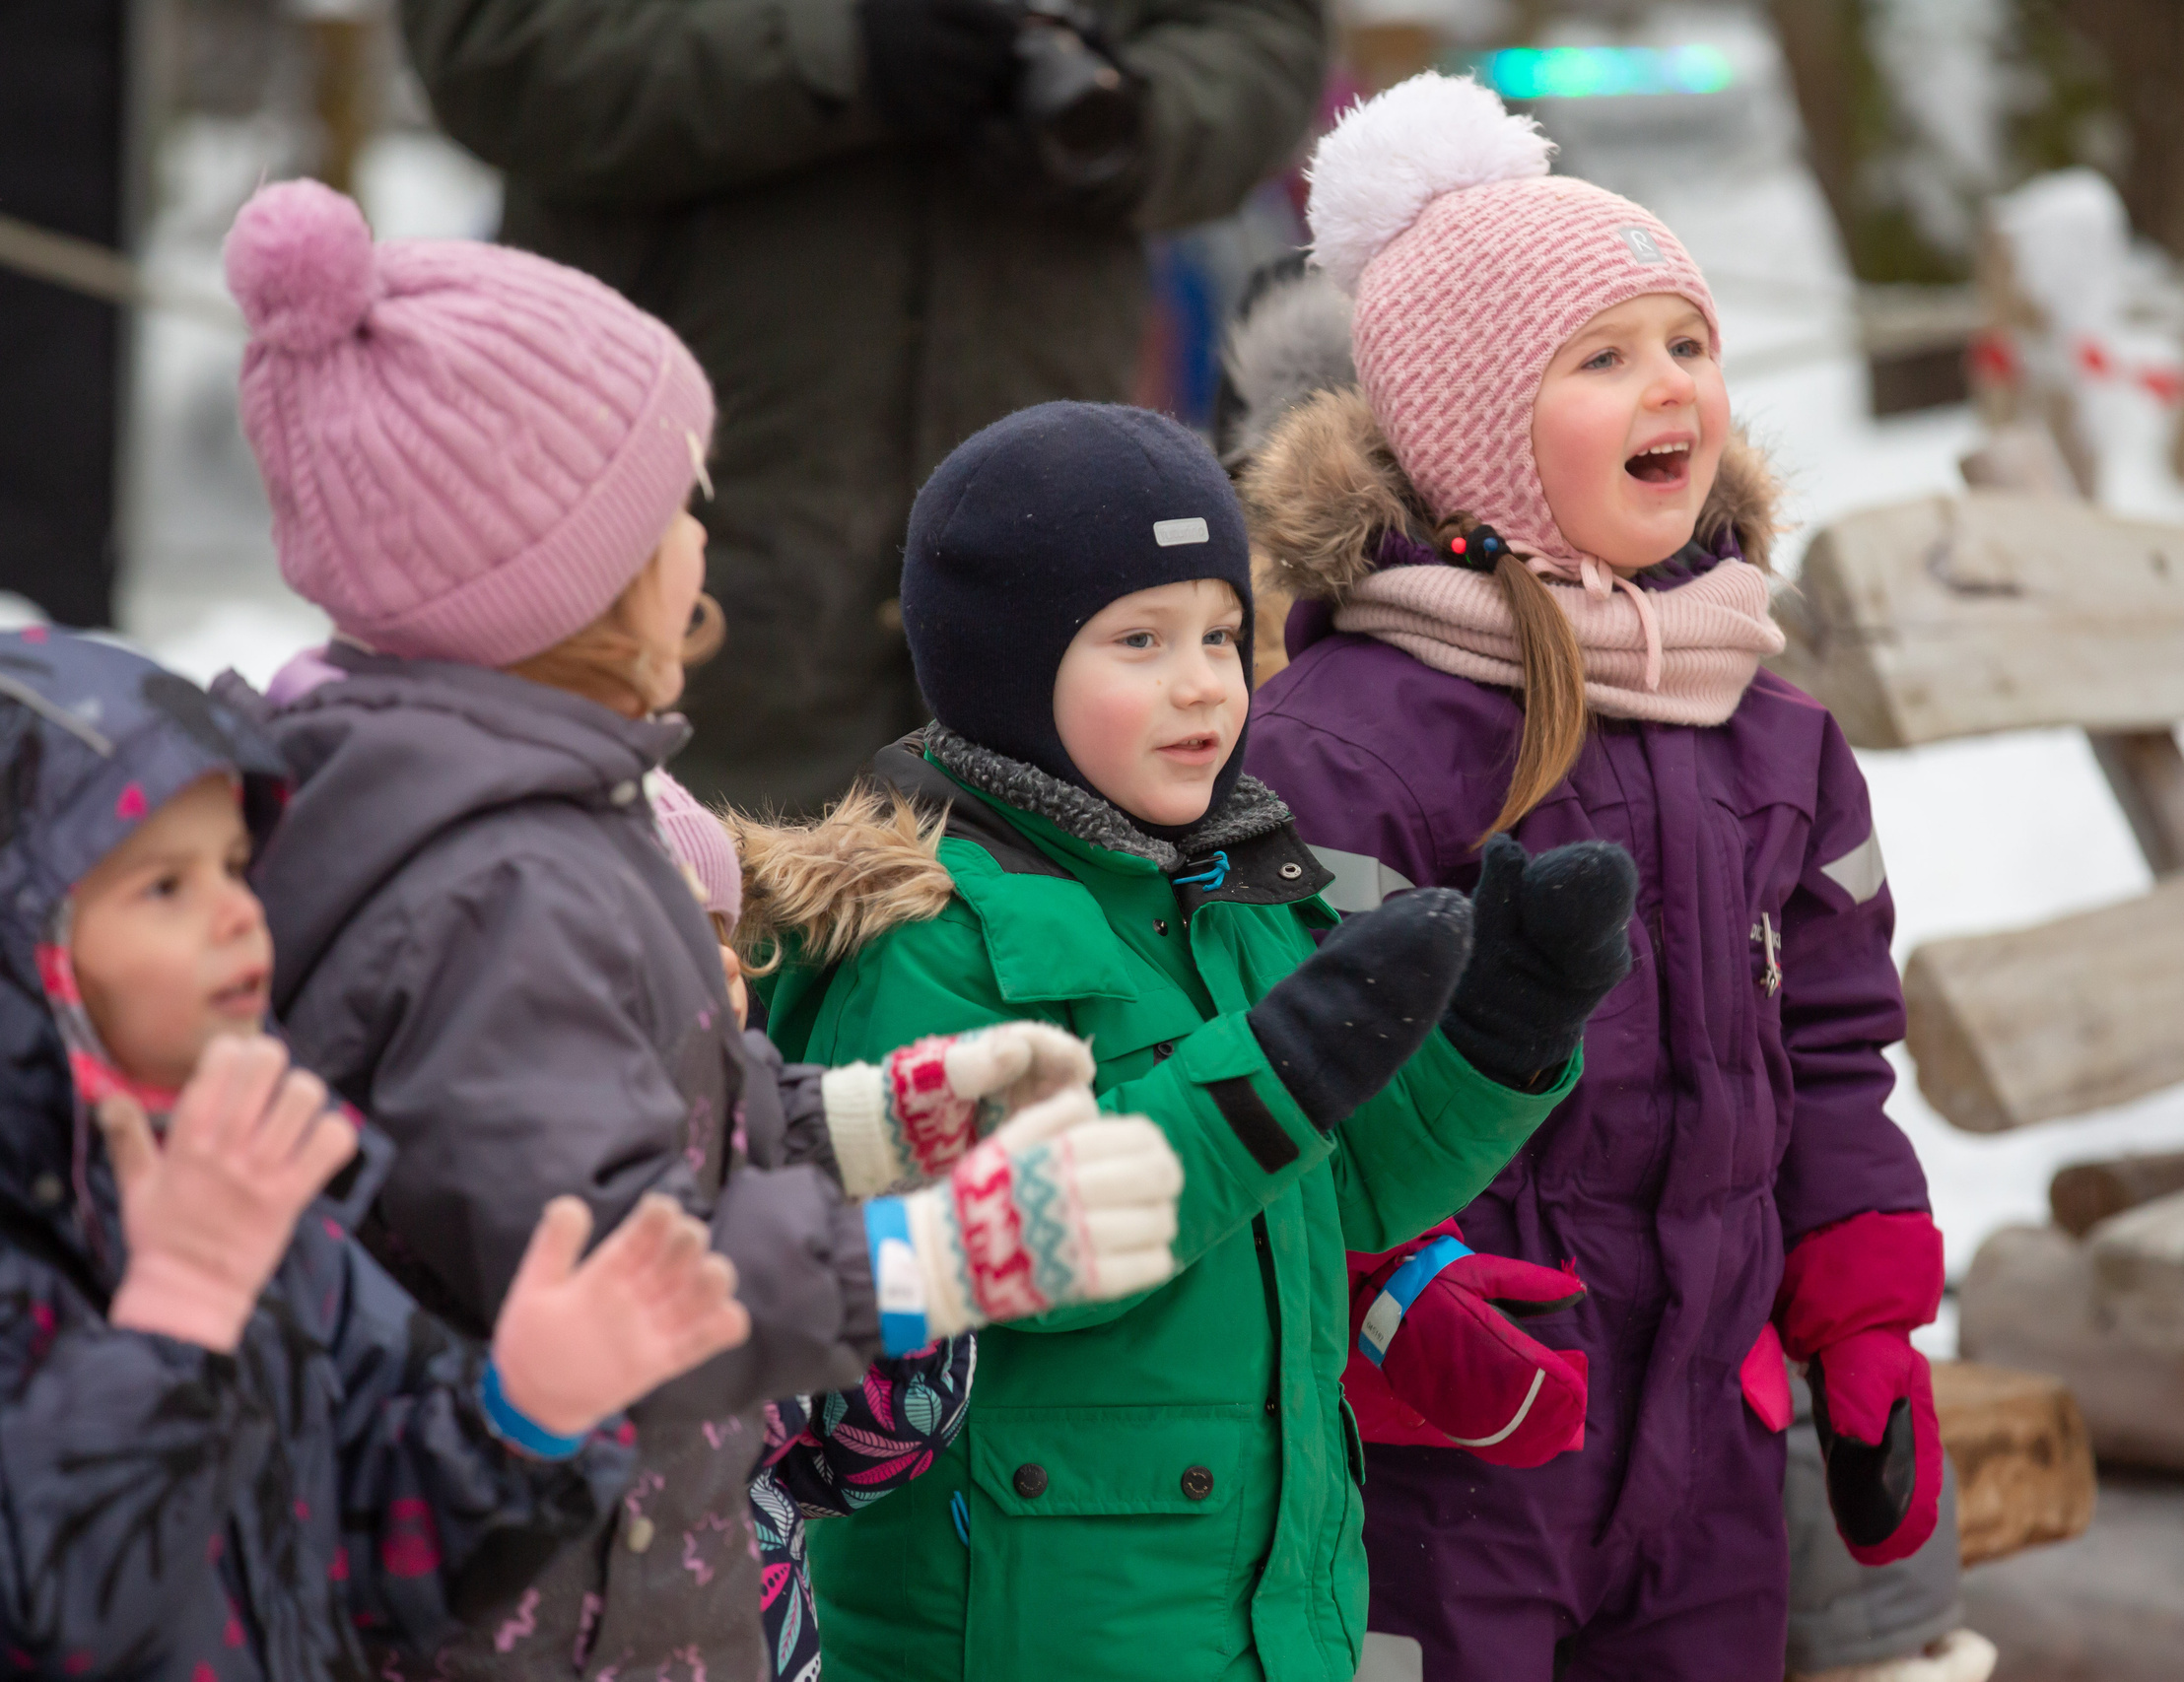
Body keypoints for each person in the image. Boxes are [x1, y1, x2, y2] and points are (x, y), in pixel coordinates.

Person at [218, 177, 1185, 1679]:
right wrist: (944, 1254)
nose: (699, 540)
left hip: (600, 1575)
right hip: (535, 1617)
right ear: (556, 577)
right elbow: (604, 1253)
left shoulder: (526, 815)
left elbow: (615, 1122)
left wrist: (867, 1116)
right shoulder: (500, 880)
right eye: (675, 505)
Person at [738, 401, 1638, 1682]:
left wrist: (1502, 1030)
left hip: (1274, 1599)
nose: (1204, 679)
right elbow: (1006, 1258)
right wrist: (1286, 1063)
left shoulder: (1242, 893)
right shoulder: (923, 936)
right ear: (1004, 664)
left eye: (1221, 631)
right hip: (1034, 1622)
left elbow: (1345, 1183)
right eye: (1141, 639)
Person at [1236, 76, 1946, 1680]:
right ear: (1478, 425)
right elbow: (1279, 1071)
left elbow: (1832, 1036)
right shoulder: (1354, 742)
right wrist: (1399, 1290)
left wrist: (1863, 1308)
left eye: (1686, 343)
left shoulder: (1767, 721)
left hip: (1708, 1425)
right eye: (1604, 357)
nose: (1670, 388)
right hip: (1453, 1431)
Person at [0, 630, 752, 1679]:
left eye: (232, 865)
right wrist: (176, 1319)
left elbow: (382, 1552)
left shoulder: (255, 1182)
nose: (234, 915)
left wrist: (528, 1418)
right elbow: (54, 1606)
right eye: (162, 888)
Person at [397, 0, 1332, 816]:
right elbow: (494, 40)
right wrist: (836, 52)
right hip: (671, 532)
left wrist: (1131, 120)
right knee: (666, 962)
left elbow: (1258, 34)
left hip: (1042, 538)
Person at [648, 767, 982, 1682]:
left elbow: (850, 1459)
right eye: (672, 929)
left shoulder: (771, 1148)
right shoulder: (501, 1185)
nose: (720, 960)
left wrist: (915, 1279)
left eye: (725, 932)